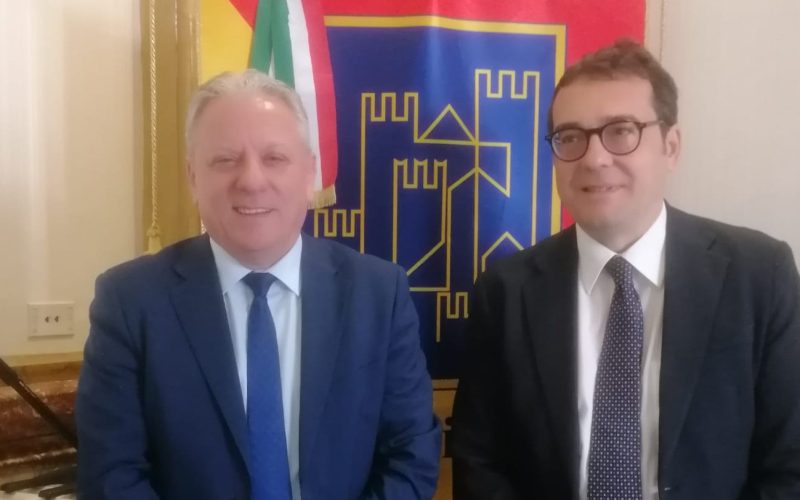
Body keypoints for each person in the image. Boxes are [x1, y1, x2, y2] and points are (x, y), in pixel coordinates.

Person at [451, 40, 800, 500]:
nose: (594, 158)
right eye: (570, 137)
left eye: (621, 131)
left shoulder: (760, 277)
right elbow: (479, 462)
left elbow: (788, 466)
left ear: (670, 147)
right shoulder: (506, 291)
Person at [76, 69, 441, 500]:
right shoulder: (130, 301)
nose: (251, 180)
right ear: (193, 177)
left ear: (309, 174)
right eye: (225, 160)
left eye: (274, 158)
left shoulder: (379, 294)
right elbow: (112, 476)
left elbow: (411, 455)